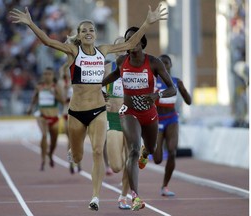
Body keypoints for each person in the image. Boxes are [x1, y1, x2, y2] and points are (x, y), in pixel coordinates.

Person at [10, 3, 167, 211]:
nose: (88, 33)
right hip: (76, 112)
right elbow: (47, 41)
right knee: (77, 157)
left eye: (91, 30)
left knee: (96, 151)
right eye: (84, 31)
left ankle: (95, 197)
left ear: (95, 33)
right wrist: (31, 23)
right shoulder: (73, 52)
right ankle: (73, 152)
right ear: (79, 35)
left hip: (98, 110)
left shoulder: (103, 50)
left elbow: (131, 43)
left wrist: (147, 23)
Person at [102, 27, 176, 211]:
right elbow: (110, 78)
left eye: (134, 39)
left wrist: (156, 95)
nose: (131, 42)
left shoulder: (153, 62)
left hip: (149, 113)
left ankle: (145, 153)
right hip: (129, 111)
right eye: (128, 39)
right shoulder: (121, 61)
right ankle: (135, 196)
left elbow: (172, 89)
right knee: (133, 150)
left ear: (142, 42)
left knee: (150, 149)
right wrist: (95, 86)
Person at [152, 54, 192, 196]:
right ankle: (147, 148)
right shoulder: (152, 81)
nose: (164, 65)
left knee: (172, 152)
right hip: (156, 120)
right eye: (161, 63)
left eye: (166, 63)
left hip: (171, 119)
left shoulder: (176, 82)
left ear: (170, 66)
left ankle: (165, 186)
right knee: (157, 160)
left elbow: (189, 101)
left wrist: (183, 90)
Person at [105, 37, 131, 209]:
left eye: (125, 45)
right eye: (118, 45)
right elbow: (94, 87)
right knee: (116, 166)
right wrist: (100, 95)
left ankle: (123, 196)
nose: (122, 48)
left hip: (131, 118)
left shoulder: (135, 68)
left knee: (130, 161)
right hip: (113, 118)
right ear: (114, 49)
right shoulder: (108, 67)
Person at [27, 67, 64, 171]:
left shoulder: (56, 87)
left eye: (49, 74)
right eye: (45, 74)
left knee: (54, 141)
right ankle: (43, 160)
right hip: (42, 116)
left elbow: (62, 101)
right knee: (44, 135)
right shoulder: (39, 86)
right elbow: (34, 98)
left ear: (53, 76)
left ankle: (50, 154)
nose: (47, 76)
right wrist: (30, 108)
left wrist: (54, 94)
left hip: (54, 116)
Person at [57, 62, 81, 174]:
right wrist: (65, 90)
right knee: (70, 140)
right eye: (67, 70)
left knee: (79, 139)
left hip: (78, 113)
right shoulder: (63, 83)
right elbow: (62, 100)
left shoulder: (78, 81)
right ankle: (71, 162)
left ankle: (78, 162)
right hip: (67, 113)